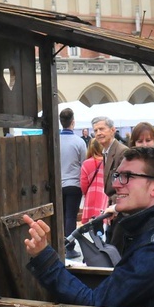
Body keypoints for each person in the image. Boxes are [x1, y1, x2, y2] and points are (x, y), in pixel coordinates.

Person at [23, 146, 154, 307]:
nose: (117, 185)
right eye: (117, 175)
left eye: (127, 176)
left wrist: (43, 256)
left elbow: (94, 303)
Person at [92, 116, 126, 241]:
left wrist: (115, 207)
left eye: (102, 129)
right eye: (95, 130)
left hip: (121, 209)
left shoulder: (121, 152)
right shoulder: (106, 151)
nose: (98, 133)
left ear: (113, 130)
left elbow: (124, 185)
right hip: (114, 208)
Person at [59, 108, 87, 259]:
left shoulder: (55, 140)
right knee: (70, 217)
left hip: (58, 184)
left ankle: (59, 245)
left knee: (61, 216)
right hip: (74, 184)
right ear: (73, 122)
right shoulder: (79, 142)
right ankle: (69, 246)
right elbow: (84, 164)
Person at [80, 139, 106, 233]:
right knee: (102, 218)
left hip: (91, 195)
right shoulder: (107, 162)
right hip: (104, 195)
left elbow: (83, 183)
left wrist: (85, 193)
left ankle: (97, 239)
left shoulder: (86, 163)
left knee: (94, 221)